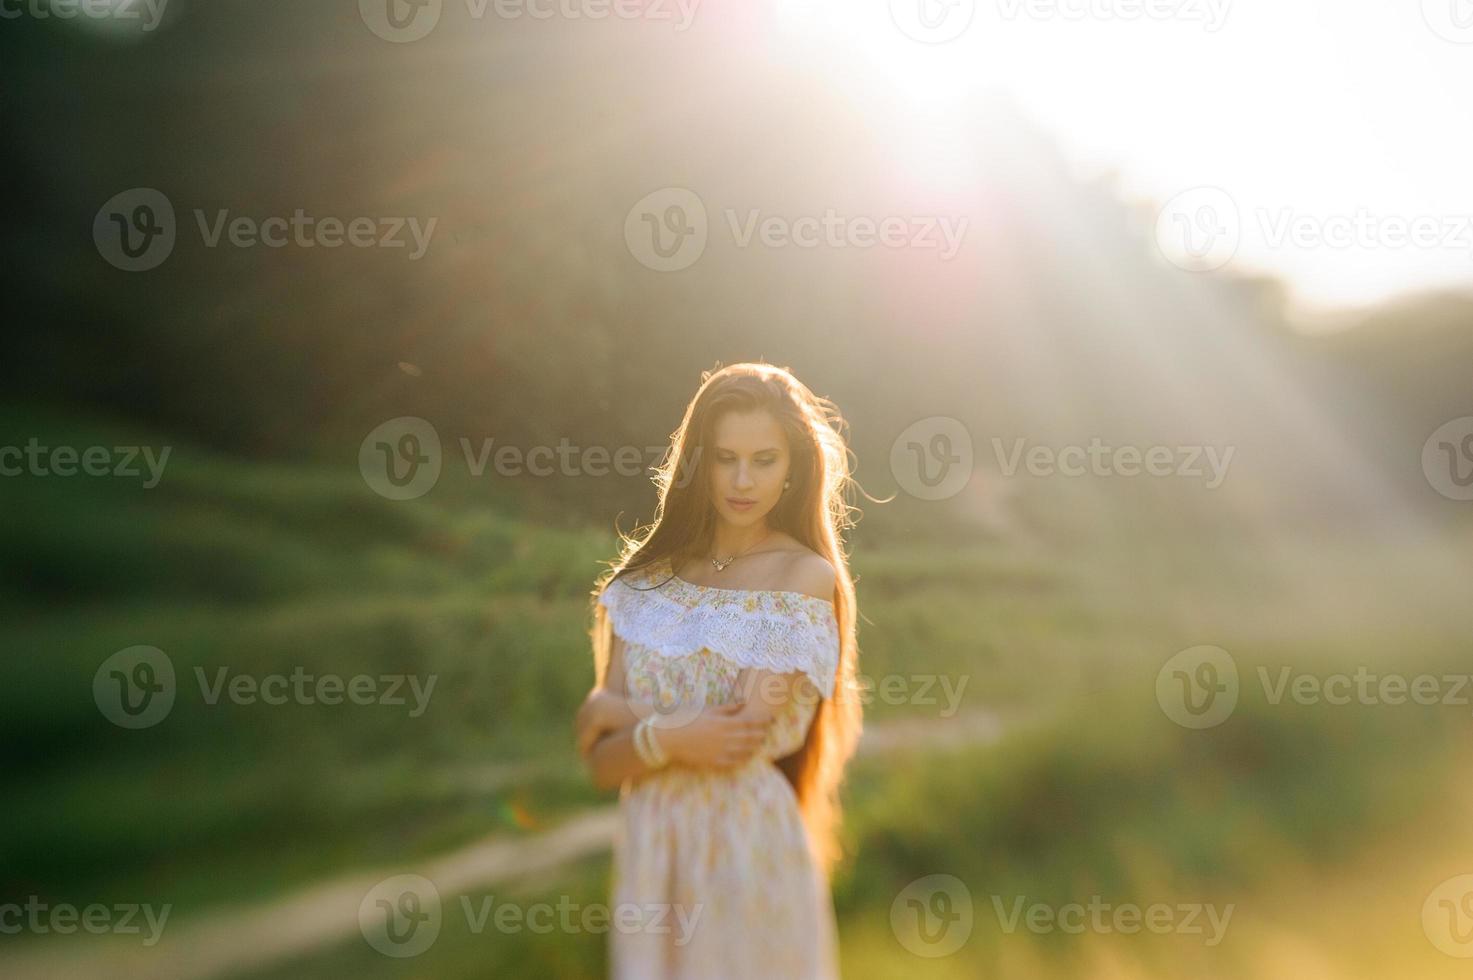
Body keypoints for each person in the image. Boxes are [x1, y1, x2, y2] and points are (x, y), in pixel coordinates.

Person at [574, 361, 864, 979]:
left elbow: (736, 734)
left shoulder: (802, 577)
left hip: (743, 846)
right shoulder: (645, 582)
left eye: (765, 459)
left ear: (794, 469)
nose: (741, 480)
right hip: (654, 852)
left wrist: (628, 718)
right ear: (696, 462)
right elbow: (602, 764)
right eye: (724, 457)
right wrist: (669, 736)